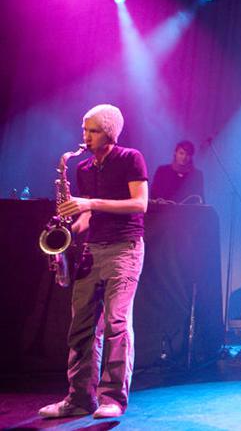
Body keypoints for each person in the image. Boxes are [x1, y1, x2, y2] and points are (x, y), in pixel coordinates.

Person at [39, 104, 148, 420]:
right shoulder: (84, 168)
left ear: (110, 133)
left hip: (125, 249)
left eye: (93, 130)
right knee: (81, 327)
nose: (85, 136)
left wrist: (90, 203)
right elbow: (88, 215)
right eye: (84, 129)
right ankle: (79, 399)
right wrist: (67, 230)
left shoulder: (131, 158)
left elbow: (140, 203)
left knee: (116, 323)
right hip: (92, 249)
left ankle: (112, 398)